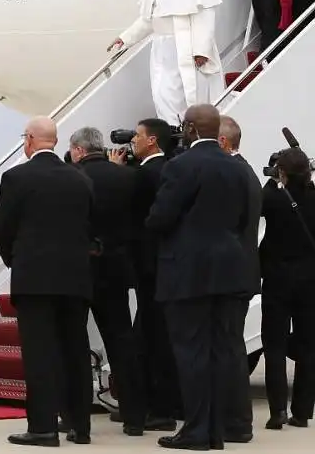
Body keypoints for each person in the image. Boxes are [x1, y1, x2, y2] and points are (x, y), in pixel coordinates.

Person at [146, 104, 253, 449]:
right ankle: (218, 429)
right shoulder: (239, 167)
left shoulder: (181, 166)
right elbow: (242, 219)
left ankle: (196, 430)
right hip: (230, 266)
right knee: (222, 351)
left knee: (191, 352)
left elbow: (161, 217)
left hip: (188, 270)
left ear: (190, 129)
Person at [0, 117, 94, 447]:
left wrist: (16, 260)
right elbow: (91, 226)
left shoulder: (17, 177)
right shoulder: (80, 178)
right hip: (76, 278)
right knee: (75, 350)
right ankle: (80, 425)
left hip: (34, 278)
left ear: (31, 140)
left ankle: (43, 427)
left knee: (40, 354)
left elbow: (2, 229)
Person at [68, 127, 145, 435]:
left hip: (79, 269)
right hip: (116, 270)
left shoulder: (71, 178)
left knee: (75, 343)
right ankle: (135, 415)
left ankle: (77, 417)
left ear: (77, 150)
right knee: (122, 342)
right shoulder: (128, 177)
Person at [109, 0, 224, 124]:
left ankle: (192, 130)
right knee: (162, 93)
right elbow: (149, 19)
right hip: (162, 49)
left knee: (189, 93)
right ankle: (171, 127)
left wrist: (202, 50)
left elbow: (205, 14)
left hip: (186, 45)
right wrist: (126, 38)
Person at [111, 119, 181, 430]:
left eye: (137, 136)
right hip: (166, 266)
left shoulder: (147, 173)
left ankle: (159, 409)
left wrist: (117, 171)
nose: (133, 141)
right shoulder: (170, 169)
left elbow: (128, 208)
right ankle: (163, 404)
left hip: (149, 267)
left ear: (152, 140)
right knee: (155, 336)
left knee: (154, 339)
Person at [258, 147, 315, 429]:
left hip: (277, 277)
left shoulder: (272, 196)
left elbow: (258, 204)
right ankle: (303, 411)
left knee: (275, 345)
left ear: (282, 172)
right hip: (310, 279)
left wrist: (272, 179)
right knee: (308, 345)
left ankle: (277, 410)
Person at [217, 115, 262, 441]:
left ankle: (235, 421)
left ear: (223, 142)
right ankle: (236, 420)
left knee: (228, 348)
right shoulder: (246, 172)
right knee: (230, 347)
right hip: (241, 273)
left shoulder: (235, 175)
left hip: (230, 275)